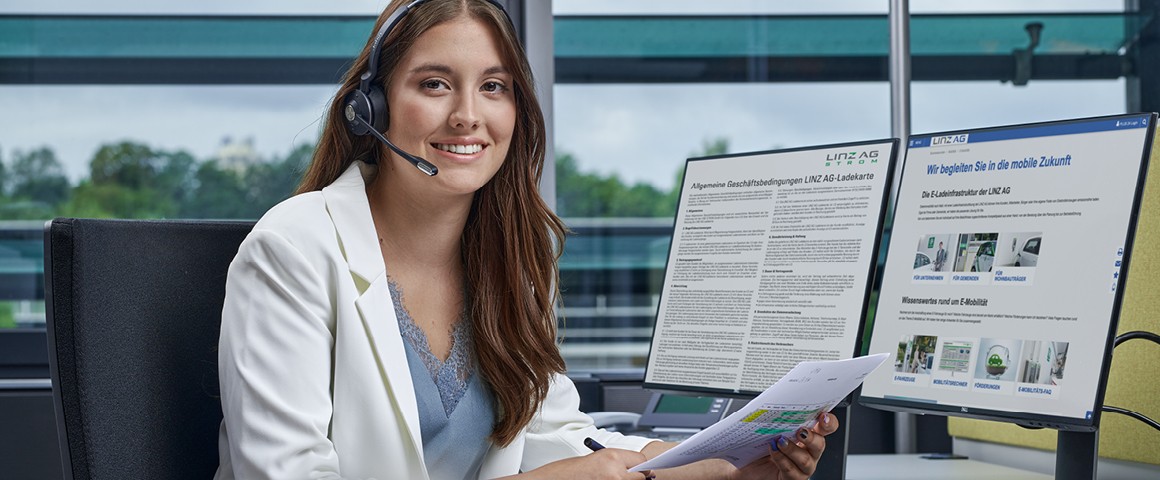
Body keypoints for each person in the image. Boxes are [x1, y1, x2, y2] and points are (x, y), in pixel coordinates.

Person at [213, 1, 838, 479]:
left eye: (494, 86)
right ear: (372, 108)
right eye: (434, 84)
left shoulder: (508, 259)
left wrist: (720, 463)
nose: (467, 115)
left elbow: (559, 438)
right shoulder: (292, 250)